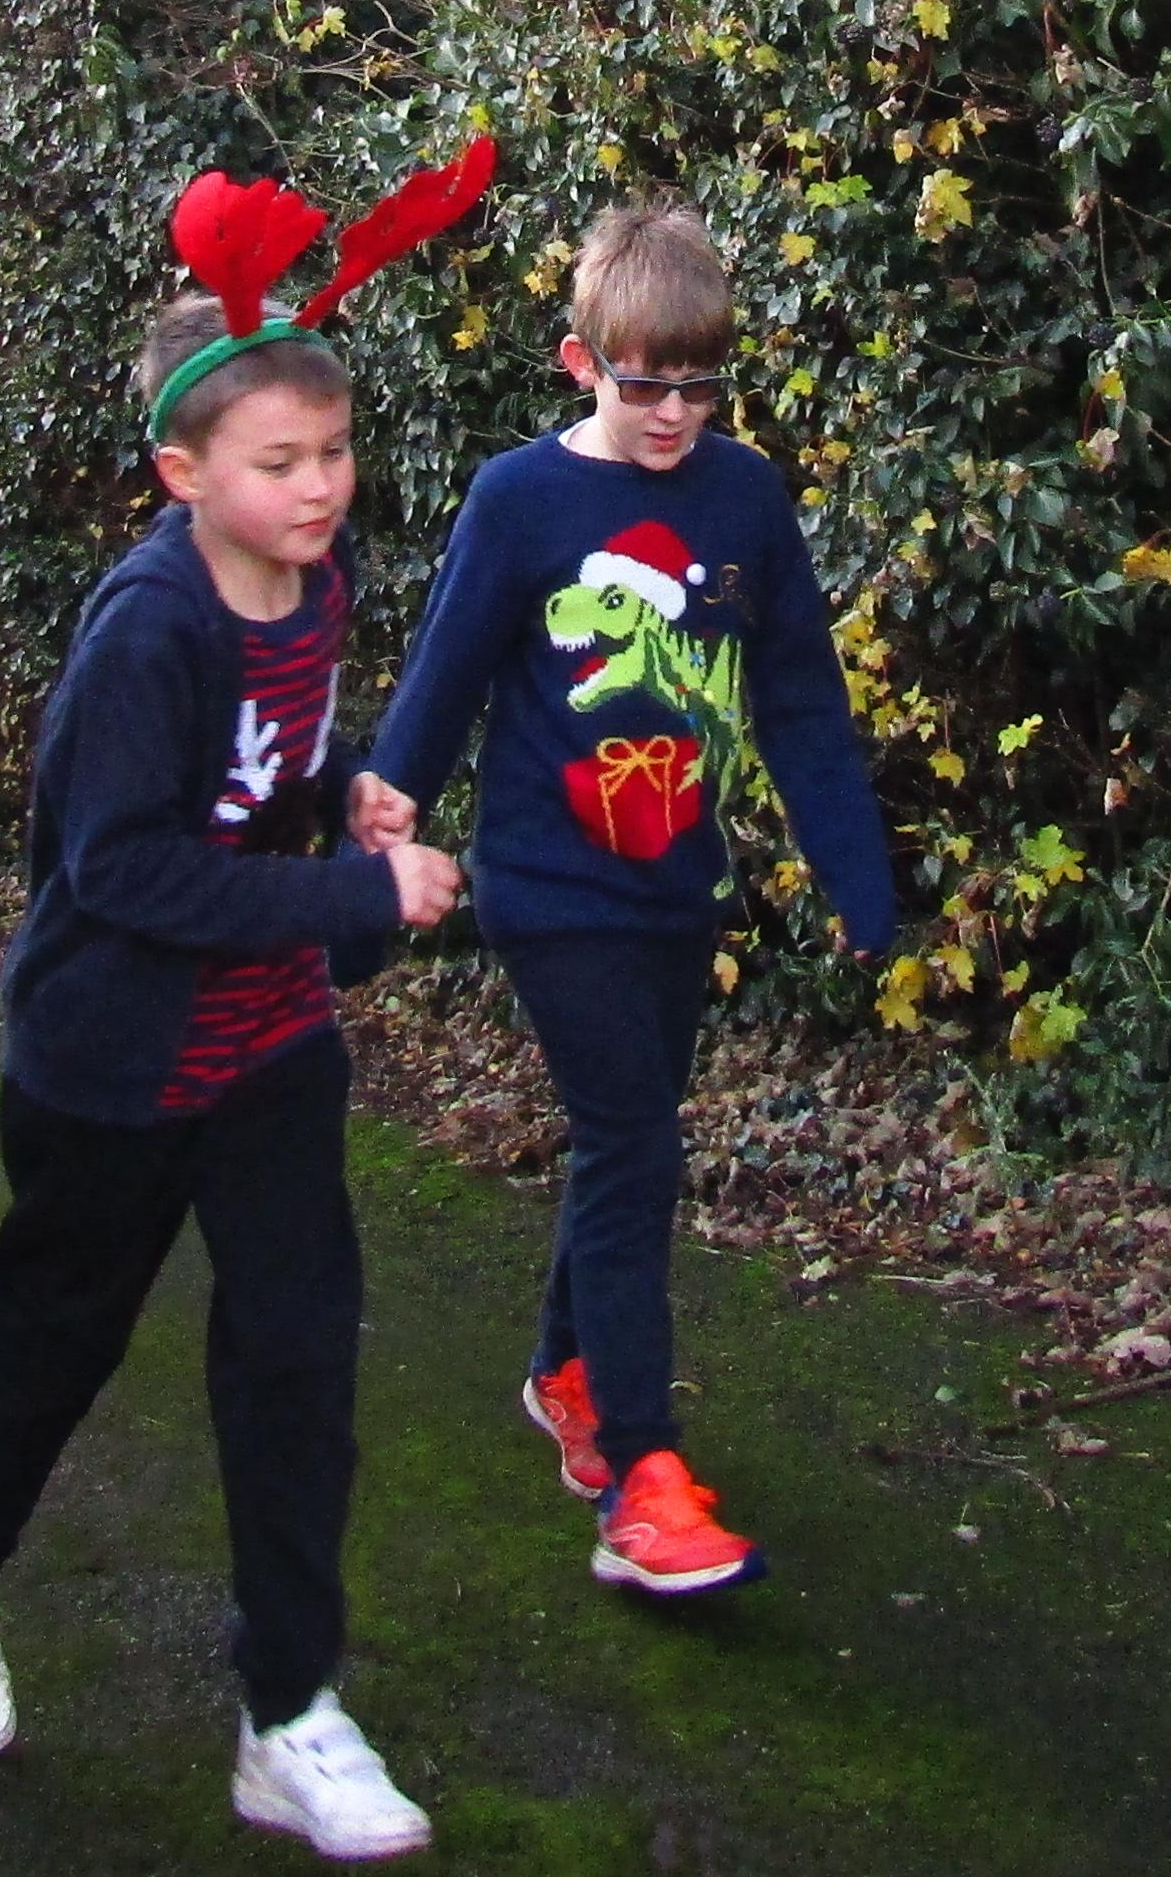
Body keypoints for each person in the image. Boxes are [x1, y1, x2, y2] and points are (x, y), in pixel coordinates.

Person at [0, 146, 491, 1866]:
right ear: (184, 471)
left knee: (294, 1359)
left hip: (268, 1046)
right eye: (279, 463)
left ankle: (286, 1712)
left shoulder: (317, 584)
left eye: (336, 452)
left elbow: (267, 767)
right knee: (54, 1341)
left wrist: (347, 788)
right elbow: (126, 868)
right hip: (113, 1063)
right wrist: (357, 894)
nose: (321, 488)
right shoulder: (148, 629)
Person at [361, 199, 903, 1601]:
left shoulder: (745, 499)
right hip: (549, 884)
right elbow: (450, 665)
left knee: (624, 1141)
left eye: (699, 386)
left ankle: (566, 1370)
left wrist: (855, 874)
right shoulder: (520, 499)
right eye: (643, 384)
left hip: (679, 885)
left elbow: (799, 698)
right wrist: (389, 803)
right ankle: (642, 1482)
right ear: (580, 361)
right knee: (634, 1146)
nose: (672, 415)